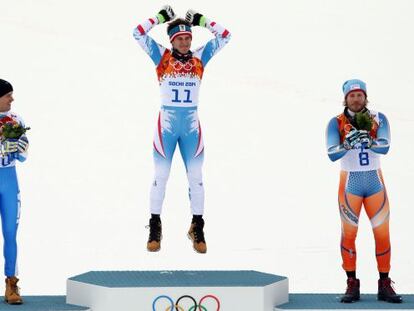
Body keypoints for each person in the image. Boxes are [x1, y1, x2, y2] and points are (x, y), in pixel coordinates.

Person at [133, 6, 231, 253]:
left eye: (188, 38)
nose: (186, 42)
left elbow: (226, 36)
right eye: (180, 39)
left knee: (196, 177)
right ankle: (155, 225)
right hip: (166, 126)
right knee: (161, 175)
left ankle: (197, 226)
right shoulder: (162, 57)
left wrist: (202, 21)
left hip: (190, 126)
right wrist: (160, 18)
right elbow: (137, 33)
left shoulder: (200, 57)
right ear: (172, 41)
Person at [326, 79, 402, 303]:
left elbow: (385, 146)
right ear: (345, 98)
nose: (356, 99)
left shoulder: (379, 118)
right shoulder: (336, 122)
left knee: (382, 234)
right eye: (352, 95)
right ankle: (352, 282)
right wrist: (347, 144)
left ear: (365, 97)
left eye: (360, 95)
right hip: (350, 184)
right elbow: (332, 153)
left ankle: (385, 282)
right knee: (349, 235)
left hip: (374, 183)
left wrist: (369, 140)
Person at [0, 79, 29, 304]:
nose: (12, 99)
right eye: (8, 95)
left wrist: (20, 146)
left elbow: (23, 155)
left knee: (10, 233)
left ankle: (11, 283)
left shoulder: (16, 119)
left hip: (9, 180)